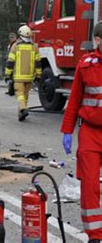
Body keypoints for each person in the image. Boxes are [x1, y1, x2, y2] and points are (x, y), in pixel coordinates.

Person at [61, 22, 102, 243]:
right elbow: (75, 99)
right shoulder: (86, 65)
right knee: (90, 184)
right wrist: (67, 130)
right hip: (91, 134)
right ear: (98, 40)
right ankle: (95, 235)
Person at [5, 25, 41, 121]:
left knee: (19, 94)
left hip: (18, 77)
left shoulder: (15, 46)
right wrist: (38, 75)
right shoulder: (35, 47)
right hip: (29, 77)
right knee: (25, 95)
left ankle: (23, 109)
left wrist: (7, 75)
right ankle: (21, 115)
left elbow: (10, 62)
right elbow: (38, 63)